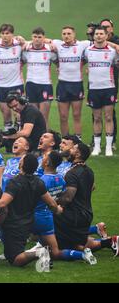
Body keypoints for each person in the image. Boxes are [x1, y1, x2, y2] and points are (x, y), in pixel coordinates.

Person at [0, 154, 63, 271]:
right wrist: (58, 210)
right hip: (27, 222)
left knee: (15, 259)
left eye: (21, 160)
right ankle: (24, 252)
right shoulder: (38, 182)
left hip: (14, 225)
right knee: (13, 250)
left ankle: (39, 253)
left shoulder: (15, 183)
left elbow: (3, 204)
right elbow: (52, 204)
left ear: (21, 165)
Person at [33, 150, 97, 265]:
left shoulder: (42, 181)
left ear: (47, 162)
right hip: (52, 216)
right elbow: (62, 195)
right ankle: (83, 253)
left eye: (44, 157)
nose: (42, 158)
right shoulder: (60, 179)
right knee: (53, 248)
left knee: (52, 250)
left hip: (41, 215)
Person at [54, 142, 118, 254]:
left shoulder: (71, 173)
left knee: (56, 240)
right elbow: (91, 187)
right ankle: (109, 242)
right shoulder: (89, 171)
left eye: (73, 148)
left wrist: (54, 202)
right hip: (86, 215)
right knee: (76, 243)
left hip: (73, 216)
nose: (70, 150)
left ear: (78, 154)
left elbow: (68, 197)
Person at [84, 26, 119, 156]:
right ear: (94, 36)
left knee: (109, 117)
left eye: (101, 34)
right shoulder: (87, 51)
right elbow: (80, 63)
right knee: (97, 117)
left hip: (109, 88)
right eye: (96, 34)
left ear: (106, 36)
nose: (98, 36)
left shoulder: (112, 51)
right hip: (94, 88)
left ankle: (109, 146)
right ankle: (97, 147)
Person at [51, 26, 91, 138]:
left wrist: (115, 45)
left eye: (69, 33)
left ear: (74, 35)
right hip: (62, 84)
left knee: (76, 115)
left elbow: (99, 43)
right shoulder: (58, 44)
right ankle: (65, 140)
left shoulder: (82, 44)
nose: (66, 36)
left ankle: (78, 140)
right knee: (63, 116)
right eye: (64, 34)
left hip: (76, 84)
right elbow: (43, 39)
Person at [0, 24, 25, 133]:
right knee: (5, 113)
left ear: (12, 34)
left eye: (8, 33)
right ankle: (8, 138)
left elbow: (35, 44)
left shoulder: (19, 45)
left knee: (19, 113)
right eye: (3, 34)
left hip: (16, 84)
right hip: (1, 85)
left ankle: (21, 136)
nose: (5, 36)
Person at [22, 27, 57, 127]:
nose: (37, 39)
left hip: (45, 85)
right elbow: (20, 63)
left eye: (39, 37)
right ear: (32, 37)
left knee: (43, 117)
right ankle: (34, 141)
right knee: (32, 116)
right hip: (30, 85)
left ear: (44, 38)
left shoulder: (50, 50)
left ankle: (46, 140)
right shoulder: (26, 50)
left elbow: (58, 62)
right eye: (35, 37)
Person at [100, 19, 119, 150]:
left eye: (107, 27)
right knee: (96, 112)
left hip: (112, 80)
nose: (105, 29)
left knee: (109, 112)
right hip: (96, 81)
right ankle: (96, 139)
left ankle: (111, 140)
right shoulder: (97, 40)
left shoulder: (116, 41)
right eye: (102, 27)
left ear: (112, 28)